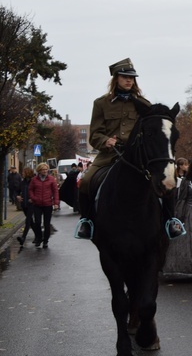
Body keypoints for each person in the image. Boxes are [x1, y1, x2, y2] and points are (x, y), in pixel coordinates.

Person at [75, 58, 184, 240]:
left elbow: (154, 132)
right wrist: (106, 141)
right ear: (116, 78)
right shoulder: (101, 103)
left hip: (138, 155)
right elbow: (94, 135)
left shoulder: (143, 104)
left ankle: (170, 221)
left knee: (165, 181)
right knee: (86, 181)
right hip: (110, 154)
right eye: (125, 77)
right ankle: (87, 221)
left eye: (132, 78)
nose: (129, 81)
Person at [28, 163, 60, 249]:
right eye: (43, 170)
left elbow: (55, 191)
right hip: (37, 204)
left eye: (46, 169)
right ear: (39, 171)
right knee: (37, 222)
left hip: (47, 204)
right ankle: (39, 238)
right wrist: (33, 198)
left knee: (47, 224)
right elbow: (30, 189)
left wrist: (56, 203)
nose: (45, 171)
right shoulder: (34, 180)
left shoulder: (51, 179)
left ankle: (45, 241)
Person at [15, 167, 36, 248]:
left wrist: (33, 198)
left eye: (23, 172)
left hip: (32, 204)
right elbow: (17, 190)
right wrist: (17, 196)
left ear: (27, 173)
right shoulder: (22, 182)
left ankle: (23, 238)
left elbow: (36, 191)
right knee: (30, 221)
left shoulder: (33, 181)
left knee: (28, 221)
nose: (22, 173)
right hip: (24, 204)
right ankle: (38, 235)